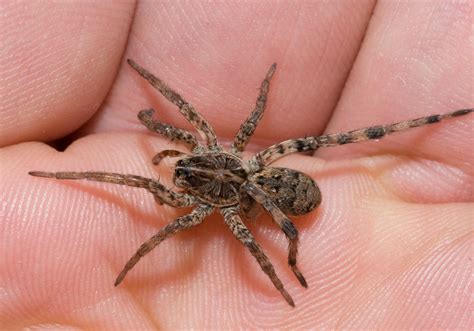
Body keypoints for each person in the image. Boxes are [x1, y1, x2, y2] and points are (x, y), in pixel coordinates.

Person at [1, 2, 472, 329]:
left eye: (189, 165)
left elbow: (243, 236)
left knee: (324, 140)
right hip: (260, 182)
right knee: (174, 158)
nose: (182, 171)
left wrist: (288, 257)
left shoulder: (219, 209)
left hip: (271, 190)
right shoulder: (214, 153)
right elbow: (191, 120)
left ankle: (436, 118)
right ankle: (441, 117)